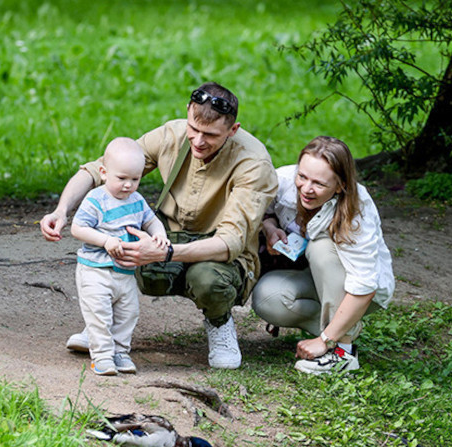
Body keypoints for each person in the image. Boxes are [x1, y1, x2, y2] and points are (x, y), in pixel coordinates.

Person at [41, 82, 277, 369]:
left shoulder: (254, 163)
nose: (199, 141)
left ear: (233, 130)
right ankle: (102, 326)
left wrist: (162, 254)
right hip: (168, 232)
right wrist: (62, 210)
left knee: (208, 281)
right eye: (194, 129)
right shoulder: (173, 134)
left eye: (211, 135)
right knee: (116, 238)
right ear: (188, 114)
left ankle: (220, 322)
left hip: (221, 251)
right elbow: (99, 169)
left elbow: (230, 243)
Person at [251, 136, 394, 374]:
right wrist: (269, 227)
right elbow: (264, 211)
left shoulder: (358, 210)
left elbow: (365, 284)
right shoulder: (282, 180)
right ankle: (343, 327)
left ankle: (341, 352)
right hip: (312, 275)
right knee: (268, 298)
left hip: (359, 290)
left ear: (340, 186)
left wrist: (324, 340)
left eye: (318, 184)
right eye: (303, 176)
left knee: (320, 247)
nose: (306, 189)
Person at [70, 137, 169, 376]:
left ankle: (120, 351)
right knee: (100, 314)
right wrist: (106, 240)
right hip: (96, 270)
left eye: (135, 179)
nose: (128, 185)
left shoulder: (137, 200)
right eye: (122, 178)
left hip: (124, 272)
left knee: (127, 313)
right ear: (104, 172)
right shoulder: (96, 199)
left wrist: (160, 235)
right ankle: (102, 356)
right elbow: (77, 228)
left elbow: (151, 220)